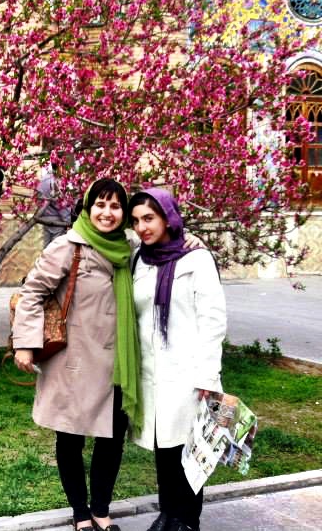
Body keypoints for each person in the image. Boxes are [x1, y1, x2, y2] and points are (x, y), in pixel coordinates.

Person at [11, 178, 141, 531]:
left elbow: (166, 244)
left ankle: (101, 510)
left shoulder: (130, 247)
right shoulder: (69, 246)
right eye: (100, 204)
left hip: (118, 365)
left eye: (115, 206)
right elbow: (32, 292)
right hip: (75, 364)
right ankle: (81, 515)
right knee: (70, 440)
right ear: (87, 207)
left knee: (111, 441)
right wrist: (24, 342)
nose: (107, 212)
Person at [128, 189, 226, 531]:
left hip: (189, 374)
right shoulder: (139, 259)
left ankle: (186, 521)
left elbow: (213, 322)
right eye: (136, 220)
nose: (142, 227)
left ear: (167, 217)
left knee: (189, 452)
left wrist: (208, 377)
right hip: (152, 375)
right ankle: (169, 513)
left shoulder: (195, 259)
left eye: (149, 218)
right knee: (164, 449)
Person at [38, 161, 73, 247]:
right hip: (57, 221)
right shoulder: (57, 182)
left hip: (44, 218)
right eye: (65, 168)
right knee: (56, 248)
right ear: (60, 167)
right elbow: (62, 206)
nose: (66, 171)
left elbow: (37, 199)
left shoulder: (43, 179)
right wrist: (68, 222)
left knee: (46, 247)